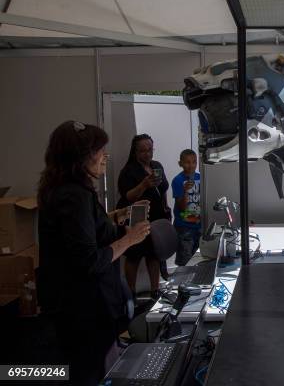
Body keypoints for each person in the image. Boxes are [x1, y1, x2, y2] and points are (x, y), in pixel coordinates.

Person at [37, 121, 150, 385]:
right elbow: (88, 260)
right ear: (81, 157)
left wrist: (115, 216)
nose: (104, 156)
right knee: (88, 371)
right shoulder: (74, 196)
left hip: (74, 306)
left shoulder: (61, 188)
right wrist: (129, 239)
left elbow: (82, 231)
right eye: (99, 151)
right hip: (83, 309)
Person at [117, 134, 170, 297]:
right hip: (136, 218)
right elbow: (128, 196)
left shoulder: (157, 166)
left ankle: (155, 291)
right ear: (135, 152)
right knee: (134, 256)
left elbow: (163, 189)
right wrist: (144, 184)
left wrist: (165, 207)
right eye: (143, 151)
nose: (147, 154)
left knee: (154, 254)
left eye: (150, 150)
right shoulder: (128, 171)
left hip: (156, 216)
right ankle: (131, 295)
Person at [171, 149, 202, 266]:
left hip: (199, 225)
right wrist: (185, 191)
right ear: (180, 164)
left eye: (194, 162)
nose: (191, 165)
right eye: (187, 162)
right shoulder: (178, 180)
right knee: (185, 262)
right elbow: (182, 207)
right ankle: (182, 283)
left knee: (199, 260)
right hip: (184, 227)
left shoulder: (201, 178)